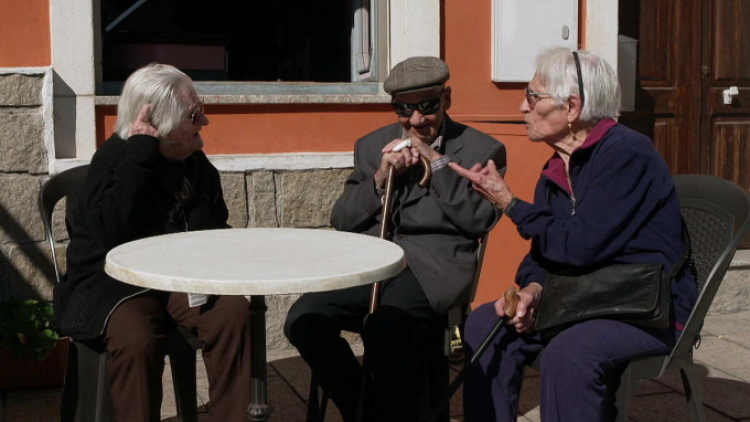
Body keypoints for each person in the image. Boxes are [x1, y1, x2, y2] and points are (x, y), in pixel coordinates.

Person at [449, 47, 698, 421]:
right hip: (580, 298)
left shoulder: (626, 154)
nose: (522, 107)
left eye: (533, 97)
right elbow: (543, 253)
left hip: (643, 307)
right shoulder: (556, 166)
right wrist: (531, 290)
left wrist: (510, 204)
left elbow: (581, 245)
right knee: (486, 322)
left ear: (572, 107)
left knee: (571, 352)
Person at [284, 56, 507, 422]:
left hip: (433, 266)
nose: (416, 120)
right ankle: (366, 410)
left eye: (427, 106)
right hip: (374, 261)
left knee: (385, 328)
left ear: (446, 98)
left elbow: (478, 220)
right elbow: (342, 218)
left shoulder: (483, 149)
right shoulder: (372, 145)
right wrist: (380, 177)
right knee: (304, 319)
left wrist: (436, 164)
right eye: (404, 109)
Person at [53, 63, 252, 422]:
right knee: (136, 337)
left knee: (232, 313)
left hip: (177, 278)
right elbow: (110, 234)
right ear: (159, 125)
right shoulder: (116, 159)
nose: (203, 122)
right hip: (113, 284)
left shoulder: (193, 162)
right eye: (194, 115)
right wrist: (142, 157)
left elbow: (213, 226)